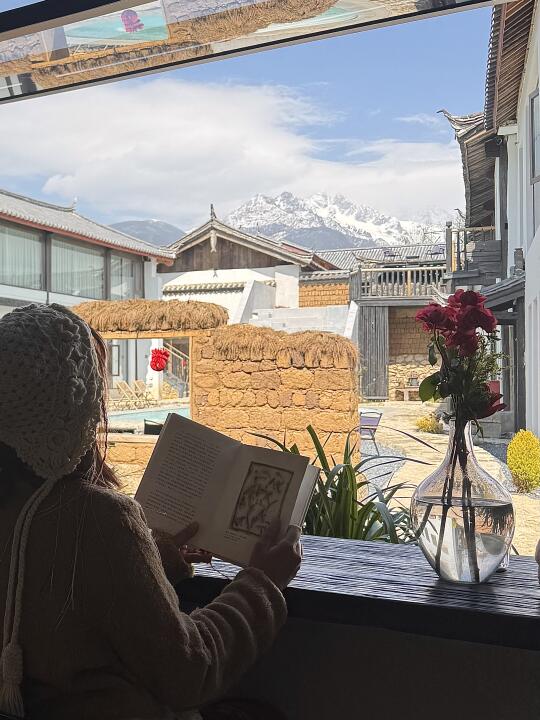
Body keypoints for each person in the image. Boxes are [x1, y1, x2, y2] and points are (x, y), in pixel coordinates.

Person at [0, 304, 302, 720]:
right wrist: (264, 581)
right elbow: (189, 671)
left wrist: (149, 558)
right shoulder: (97, 518)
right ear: (80, 408)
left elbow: (55, 603)